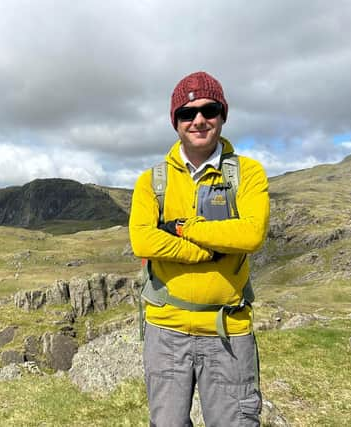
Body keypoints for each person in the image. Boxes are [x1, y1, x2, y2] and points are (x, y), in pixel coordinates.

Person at [129, 71, 270, 426]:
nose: (199, 120)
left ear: (223, 114)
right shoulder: (152, 180)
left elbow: (250, 235)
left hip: (228, 329)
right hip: (166, 329)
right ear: (174, 120)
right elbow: (143, 240)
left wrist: (184, 228)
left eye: (209, 110)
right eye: (187, 113)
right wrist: (203, 250)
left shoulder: (249, 174)